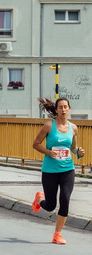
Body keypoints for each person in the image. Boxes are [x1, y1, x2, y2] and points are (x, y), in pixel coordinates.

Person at [31, 97, 85, 245]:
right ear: (56, 110)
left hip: (67, 169)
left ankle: (57, 234)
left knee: (65, 199)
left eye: (65, 107)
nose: (63, 110)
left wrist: (78, 152)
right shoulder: (49, 126)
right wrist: (49, 152)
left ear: (69, 109)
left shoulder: (73, 128)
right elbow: (35, 144)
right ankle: (39, 200)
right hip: (50, 170)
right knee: (50, 206)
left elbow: (73, 148)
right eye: (60, 107)